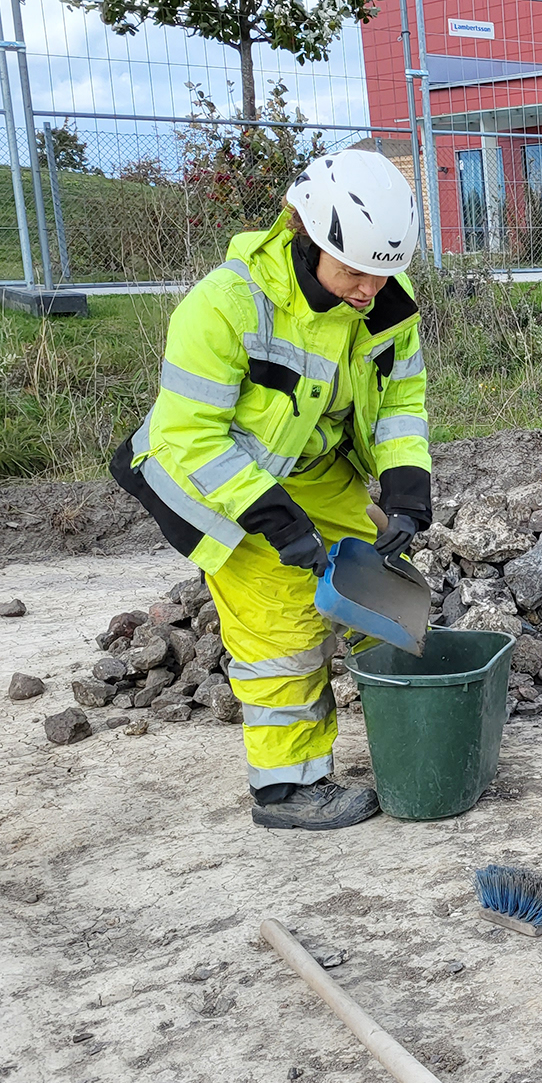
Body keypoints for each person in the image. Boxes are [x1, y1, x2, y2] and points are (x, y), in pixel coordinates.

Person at [112, 149, 432, 830]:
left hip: (309, 470)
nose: (368, 289)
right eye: (354, 271)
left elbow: (402, 404)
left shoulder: (385, 308)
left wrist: (406, 494)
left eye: (381, 273)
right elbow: (191, 436)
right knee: (282, 625)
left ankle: (402, 731)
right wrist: (279, 524)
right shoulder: (226, 306)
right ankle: (289, 789)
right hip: (212, 479)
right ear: (308, 236)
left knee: (377, 581)